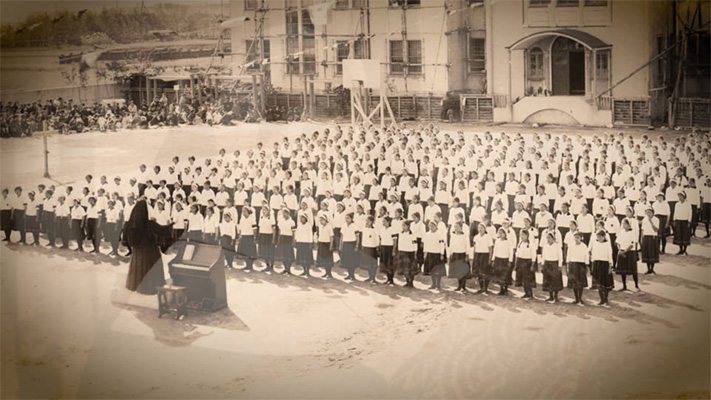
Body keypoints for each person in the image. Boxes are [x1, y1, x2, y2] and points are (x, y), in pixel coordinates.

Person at [124, 200, 171, 295]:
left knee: (138, 269)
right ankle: (150, 288)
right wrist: (173, 224)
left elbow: (126, 238)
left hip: (137, 252)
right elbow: (163, 231)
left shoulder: (130, 223)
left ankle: (135, 286)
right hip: (150, 251)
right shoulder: (149, 223)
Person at [590, 229, 614, 306]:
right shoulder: (595, 243)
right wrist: (593, 264)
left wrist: (610, 266)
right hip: (597, 264)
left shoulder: (607, 244)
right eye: (597, 236)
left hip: (605, 264)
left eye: (600, 236)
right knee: (599, 283)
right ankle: (601, 299)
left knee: (605, 283)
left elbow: (610, 254)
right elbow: (593, 254)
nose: (599, 238)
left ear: (604, 237)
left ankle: (606, 299)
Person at [616, 218, 640, 292]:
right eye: (622, 224)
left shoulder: (632, 233)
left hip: (630, 253)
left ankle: (636, 285)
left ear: (629, 225)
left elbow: (632, 244)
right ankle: (624, 286)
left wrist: (625, 251)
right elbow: (617, 242)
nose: (623, 225)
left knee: (633, 270)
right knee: (623, 271)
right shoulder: (622, 232)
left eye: (625, 224)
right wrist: (620, 250)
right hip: (622, 252)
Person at [566, 231, 590, 305]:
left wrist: (587, 266)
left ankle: (580, 298)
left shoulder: (584, 246)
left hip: (581, 266)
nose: (576, 239)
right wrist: (567, 266)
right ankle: (576, 298)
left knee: (580, 283)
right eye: (575, 238)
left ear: (581, 238)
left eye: (578, 238)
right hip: (573, 265)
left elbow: (586, 257)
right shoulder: (571, 246)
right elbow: (568, 256)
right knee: (574, 284)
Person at [541, 232, 564, 303]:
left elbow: (560, 256)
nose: (548, 239)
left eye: (549, 238)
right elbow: (543, 256)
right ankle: (550, 296)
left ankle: (556, 296)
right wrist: (543, 264)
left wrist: (559, 265)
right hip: (547, 264)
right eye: (547, 238)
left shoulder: (557, 246)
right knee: (548, 280)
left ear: (553, 238)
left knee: (555, 280)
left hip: (555, 264)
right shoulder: (545, 246)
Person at [447, 222, 470, 292]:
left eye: (457, 227)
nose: (456, 228)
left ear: (461, 227)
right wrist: (449, 255)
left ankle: (463, 286)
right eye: (455, 227)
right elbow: (451, 246)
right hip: (455, 255)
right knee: (458, 271)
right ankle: (459, 286)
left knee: (463, 271)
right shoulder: (453, 236)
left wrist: (467, 255)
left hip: (462, 255)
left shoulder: (465, 236)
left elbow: (467, 245)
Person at [491, 228, 514, 296]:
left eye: (502, 233)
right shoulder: (497, 241)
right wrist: (493, 259)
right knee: (499, 274)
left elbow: (511, 252)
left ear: (505, 234)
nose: (500, 235)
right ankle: (501, 289)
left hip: (505, 260)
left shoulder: (508, 241)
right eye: (499, 233)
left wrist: (510, 261)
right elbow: (495, 251)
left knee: (505, 275)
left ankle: (506, 289)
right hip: (498, 259)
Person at [423, 220, 446, 290]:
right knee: (432, 270)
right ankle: (433, 284)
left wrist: (442, 254)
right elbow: (426, 244)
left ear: (436, 226)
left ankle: (438, 285)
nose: (431, 227)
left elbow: (442, 244)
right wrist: (425, 253)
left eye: (432, 226)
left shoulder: (439, 234)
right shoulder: (427, 234)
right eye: (430, 226)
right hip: (430, 254)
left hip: (437, 254)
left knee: (438, 271)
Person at [514, 229, 537, 299]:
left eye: (523, 235)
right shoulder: (519, 244)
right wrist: (516, 263)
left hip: (528, 262)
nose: (522, 236)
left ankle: (530, 294)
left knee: (528, 279)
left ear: (527, 236)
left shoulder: (531, 244)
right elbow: (517, 254)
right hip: (520, 261)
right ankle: (526, 293)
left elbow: (534, 255)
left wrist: (533, 264)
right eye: (521, 235)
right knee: (522, 279)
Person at [472, 223, 493, 294]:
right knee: (479, 273)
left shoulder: (488, 237)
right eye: (479, 228)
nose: (480, 229)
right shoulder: (476, 237)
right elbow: (475, 248)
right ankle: (481, 288)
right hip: (478, 255)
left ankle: (486, 288)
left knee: (486, 272)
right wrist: (474, 256)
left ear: (485, 229)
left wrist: (490, 257)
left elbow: (490, 248)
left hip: (485, 255)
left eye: (482, 228)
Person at [395, 220, 418, 288]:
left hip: (410, 253)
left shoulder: (412, 234)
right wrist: (399, 251)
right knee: (404, 269)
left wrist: (415, 253)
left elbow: (415, 244)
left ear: (408, 226)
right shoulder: (400, 233)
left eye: (404, 225)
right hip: (402, 252)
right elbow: (399, 243)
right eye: (402, 225)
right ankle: (407, 281)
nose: (403, 227)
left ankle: (411, 282)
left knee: (410, 269)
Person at [237, 207, 258, 271]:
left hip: (250, 237)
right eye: (243, 211)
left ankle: (250, 265)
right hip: (244, 237)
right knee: (245, 252)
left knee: (250, 252)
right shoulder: (242, 220)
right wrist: (239, 236)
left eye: (245, 211)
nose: (243, 212)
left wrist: (254, 238)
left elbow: (255, 230)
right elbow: (240, 229)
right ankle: (247, 265)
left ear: (248, 212)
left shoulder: (252, 219)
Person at [641, 207, 660, 275]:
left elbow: (656, 230)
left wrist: (651, 222)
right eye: (647, 212)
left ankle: (652, 269)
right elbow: (642, 230)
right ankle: (648, 269)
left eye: (649, 212)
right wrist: (641, 239)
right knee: (647, 254)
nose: (648, 214)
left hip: (653, 237)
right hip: (646, 237)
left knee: (652, 254)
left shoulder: (656, 219)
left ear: (653, 213)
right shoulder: (644, 219)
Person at [257, 202, 276, 272]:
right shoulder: (261, 218)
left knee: (270, 251)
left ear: (268, 210)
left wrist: (273, 239)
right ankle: (267, 266)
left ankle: (272, 266)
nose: (264, 211)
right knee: (265, 252)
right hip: (263, 235)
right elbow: (260, 227)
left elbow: (274, 229)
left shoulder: (271, 218)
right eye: (263, 210)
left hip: (269, 236)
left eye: (265, 210)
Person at [276, 208, 295, 274]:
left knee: (288, 254)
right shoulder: (281, 221)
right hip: (282, 238)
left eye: (285, 213)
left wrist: (293, 240)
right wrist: (279, 239)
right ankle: (285, 268)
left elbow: (293, 233)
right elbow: (280, 230)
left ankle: (289, 269)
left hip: (289, 238)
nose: (284, 214)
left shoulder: (291, 222)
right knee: (283, 254)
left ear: (288, 213)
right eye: (283, 213)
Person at [340, 213, 359, 281]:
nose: (346, 219)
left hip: (352, 244)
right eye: (346, 218)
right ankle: (349, 274)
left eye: (348, 218)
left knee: (352, 260)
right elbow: (342, 236)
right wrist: (341, 245)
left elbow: (357, 237)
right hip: (345, 244)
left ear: (351, 219)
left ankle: (352, 275)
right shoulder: (344, 225)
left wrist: (357, 245)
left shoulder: (354, 226)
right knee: (347, 260)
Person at [316, 214, 335, 278]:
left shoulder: (329, 226)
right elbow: (320, 235)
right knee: (324, 260)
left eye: (322, 220)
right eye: (320, 220)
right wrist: (318, 242)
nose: (321, 222)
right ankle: (326, 272)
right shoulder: (321, 227)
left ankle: (329, 273)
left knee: (328, 260)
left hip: (327, 244)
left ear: (325, 220)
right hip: (321, 243)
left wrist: (331, 245)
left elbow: (331, 237)